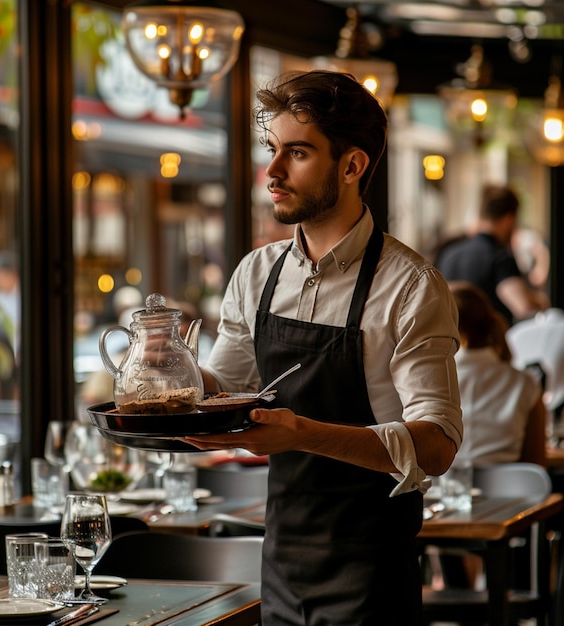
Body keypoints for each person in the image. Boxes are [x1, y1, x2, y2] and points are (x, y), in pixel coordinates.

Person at [184, 70, 463, 626]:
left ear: (353, 165)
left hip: (372, 572)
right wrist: (171, 383)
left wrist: (301, 433)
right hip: (282, 561)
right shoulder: (256, 273)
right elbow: (225, 382)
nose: (272, 171)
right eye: (272, 150)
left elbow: (436, 445)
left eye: (298, 153)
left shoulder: (409, 286)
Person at [450, 282, 546, 468]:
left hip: (439, 492)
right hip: (510, 495)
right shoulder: (526, 383)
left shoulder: (429, 382)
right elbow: (535, 463)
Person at [435, 183, 549, 327]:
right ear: (509, 219)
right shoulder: (499, 257)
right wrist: (541, 302)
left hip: (453, 344)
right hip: (488, 345)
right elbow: (524, 307)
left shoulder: (449, 253)